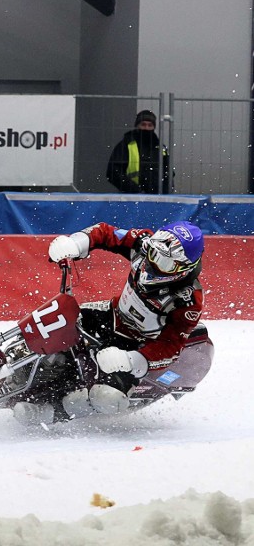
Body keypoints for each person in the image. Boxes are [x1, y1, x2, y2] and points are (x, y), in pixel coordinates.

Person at [13, 220, 205, 425]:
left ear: (183, 269)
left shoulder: (188, 301)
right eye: (152, 252)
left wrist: (131, 359)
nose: (152, 262)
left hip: (136, 345)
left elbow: (171, 348)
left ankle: (52, 412)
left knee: (106, 397)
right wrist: (77, 243)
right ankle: (15, 362)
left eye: (164, 262)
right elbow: (106, 233)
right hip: (110, 315)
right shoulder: (142, 243)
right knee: (54, 328)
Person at [106, 109, 171, 194]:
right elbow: (113, 172)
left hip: (157, 197)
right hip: (131, 197)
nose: (146, 128)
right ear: (137, 126)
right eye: (143, 124)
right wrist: (135, 190)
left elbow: (168, 173)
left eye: (150, 125)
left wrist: (165, 191)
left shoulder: (161, 148)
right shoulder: (126, 145)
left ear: (154, 127)